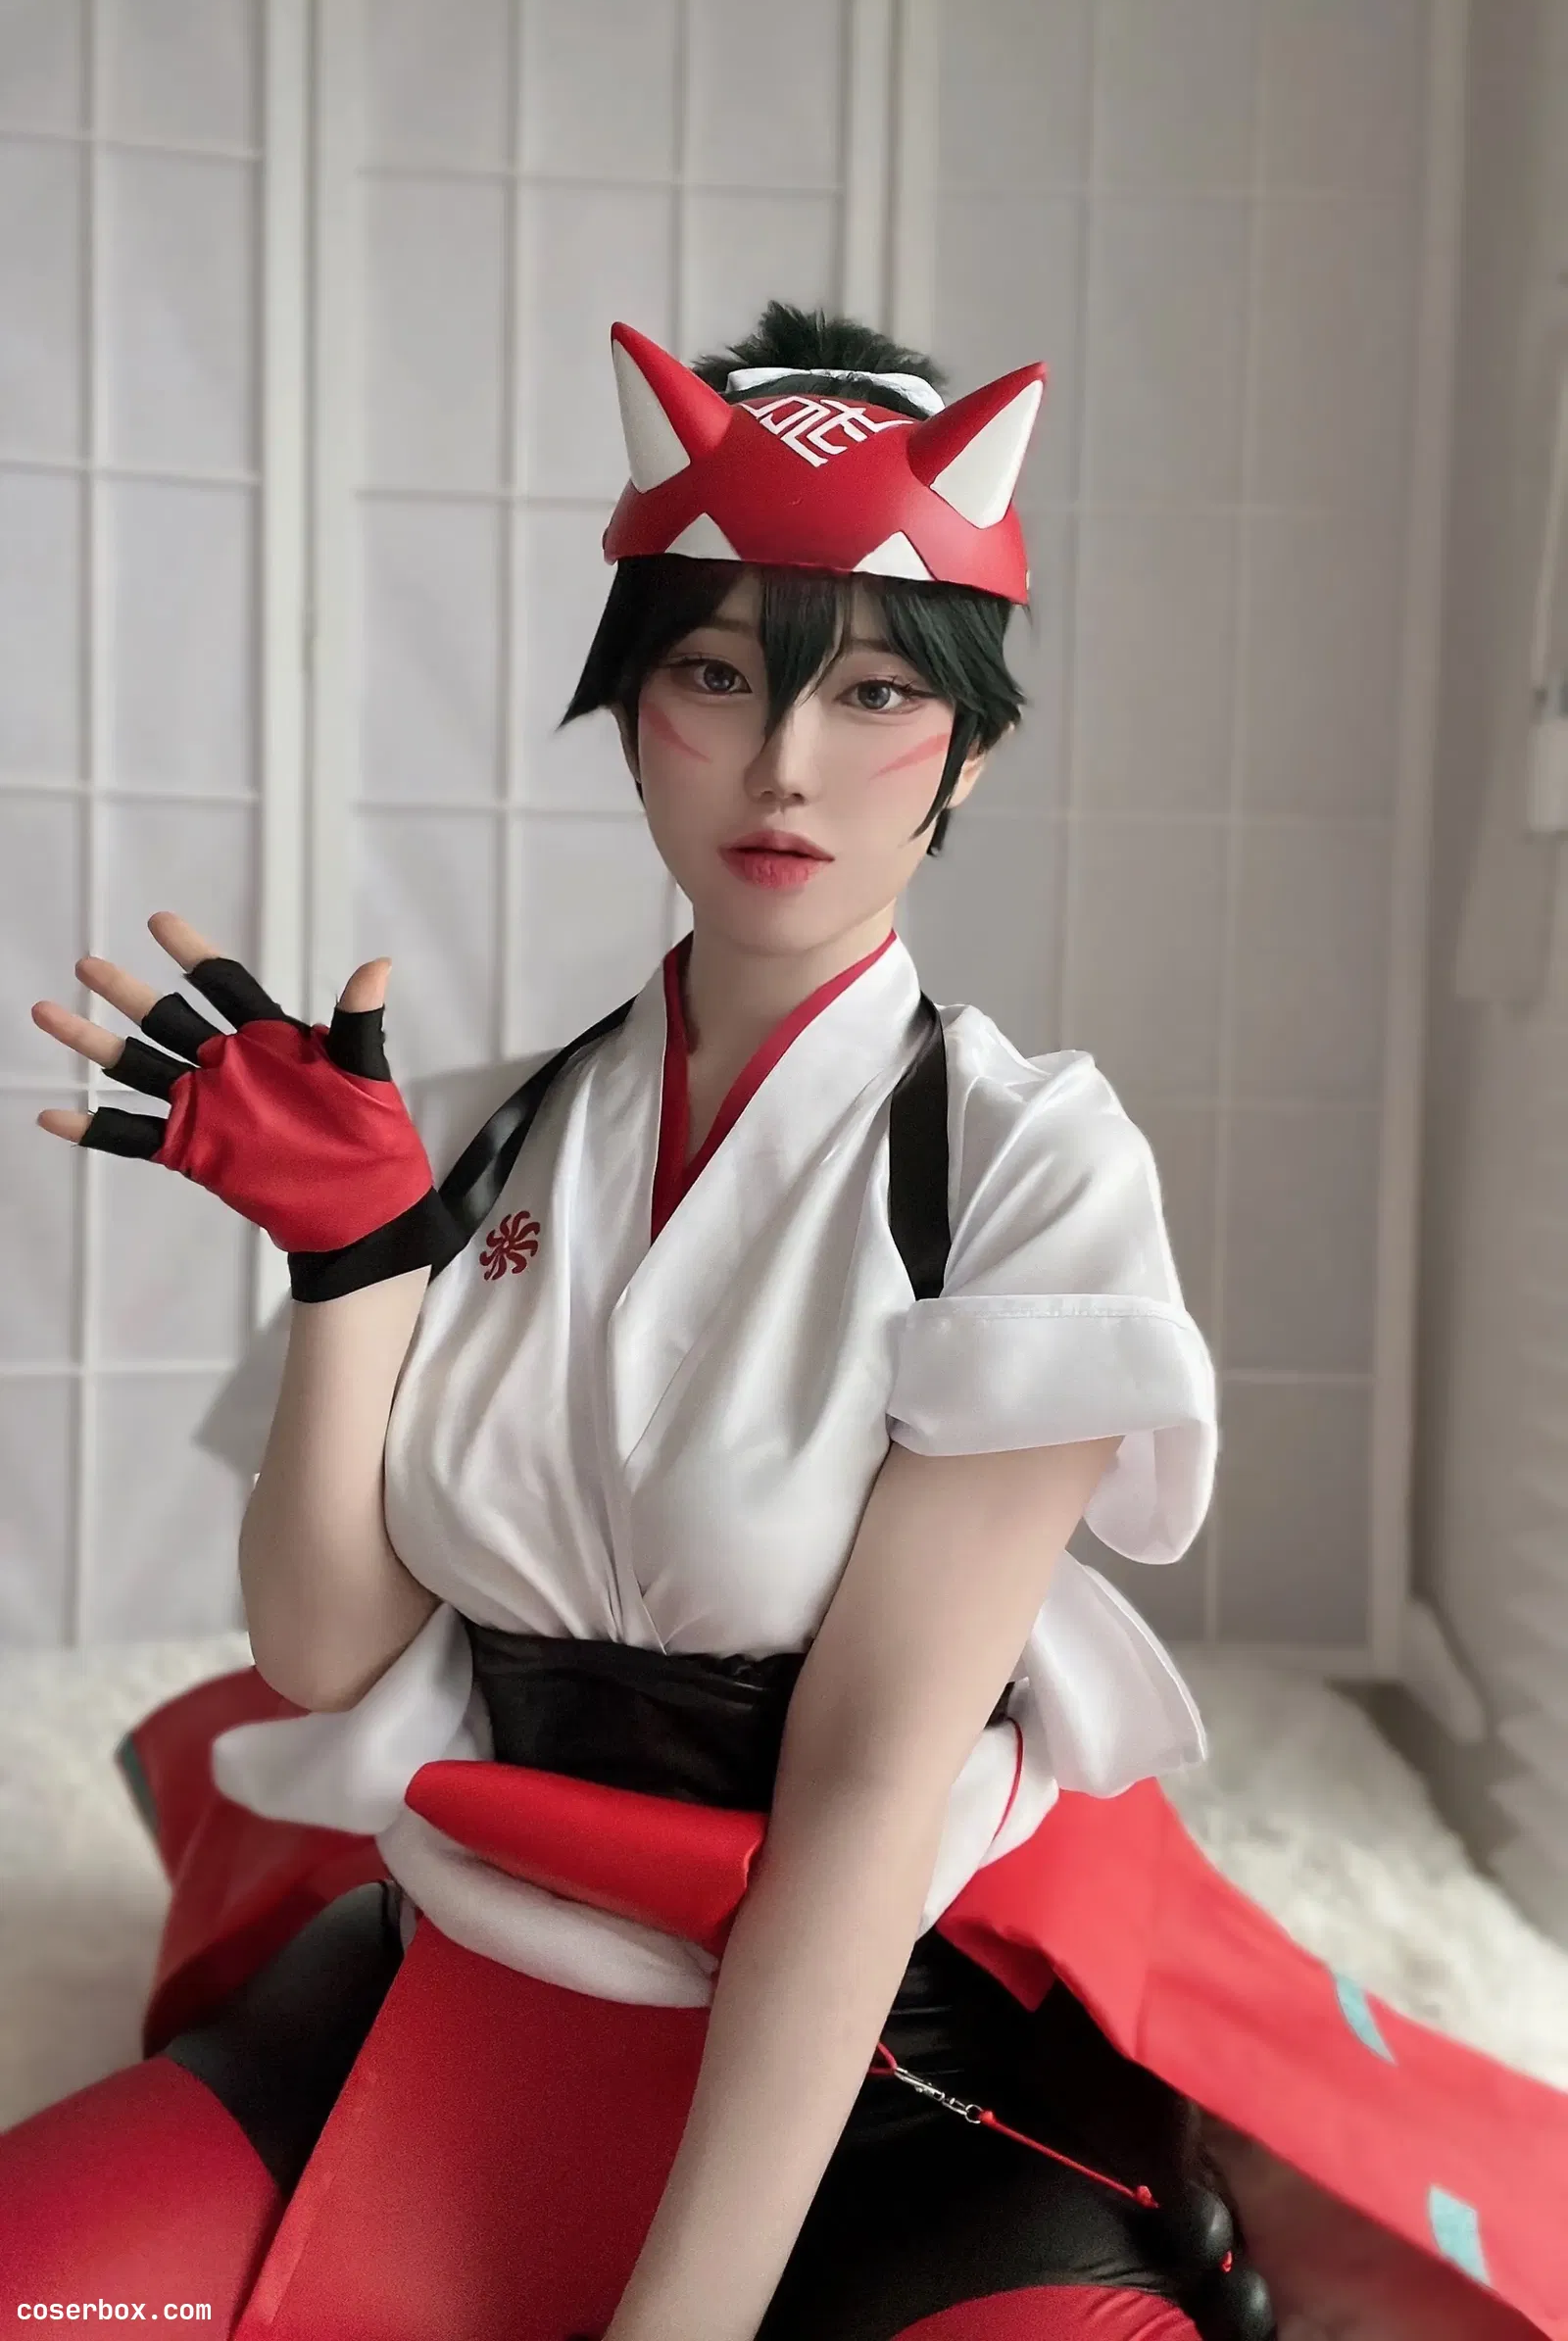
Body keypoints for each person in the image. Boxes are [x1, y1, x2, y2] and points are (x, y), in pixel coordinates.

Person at [4, 308, 1559, 2341]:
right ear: (629, 709)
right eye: (718, 673)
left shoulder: (1027, 1165)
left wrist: (676, 2325)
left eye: (876, 688)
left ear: (971, 748)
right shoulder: (468, 1130)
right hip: (468, 1968)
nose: (785, 763)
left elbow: (862, 1790)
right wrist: (354, 1266)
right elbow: (322, 1654)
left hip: (895, 2058)